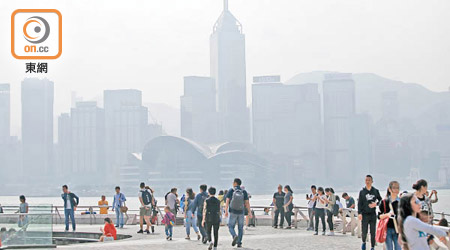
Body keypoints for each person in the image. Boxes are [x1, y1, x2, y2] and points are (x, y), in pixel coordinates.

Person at [225, 178, 252, 248]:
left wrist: (226, 211)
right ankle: (239, 242)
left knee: (230, 226)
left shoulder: (231, 190)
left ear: (235, 183)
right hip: (241, 212)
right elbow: (247, 203)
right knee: (240, 228)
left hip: (233, 211)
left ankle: (234, 235)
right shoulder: (244, 191)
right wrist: (249, 212)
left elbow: (227, 201)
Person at [358, 175, 382, 250]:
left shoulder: (375, 191)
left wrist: (376, 204)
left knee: (373, 231)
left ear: (372, 181)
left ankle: (372, 247)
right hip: (364, 214)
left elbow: (381, 201)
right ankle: (364, 242)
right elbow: (359, 203)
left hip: (372, 214)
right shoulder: (362, 192)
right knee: (364, 231)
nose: (367, 182)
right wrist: (359, 213)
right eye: (366, 180)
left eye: (369, 180)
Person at [378, 181, 401, 250]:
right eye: (394, 188)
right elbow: (379, 216)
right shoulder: (384, 202)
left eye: (398, 188)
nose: (396, 190)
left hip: (398, 230)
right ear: (389, 189)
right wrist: (387, 215)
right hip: (387, 229)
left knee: (398, 248)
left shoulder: (402, 202)